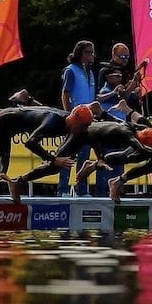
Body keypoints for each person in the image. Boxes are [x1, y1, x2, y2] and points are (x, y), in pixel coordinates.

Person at [59, 41, 97, 196]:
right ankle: (63, 190)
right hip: (75, 119)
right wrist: (69, 115)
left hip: (88, 120)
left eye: (92, 52)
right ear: (81, 53)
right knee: (68, 154)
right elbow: (65, 94)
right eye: (89, 52)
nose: (92, 55)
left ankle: (82, 190)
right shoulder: (71, 70)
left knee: (85, 156)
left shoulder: (90, 72)